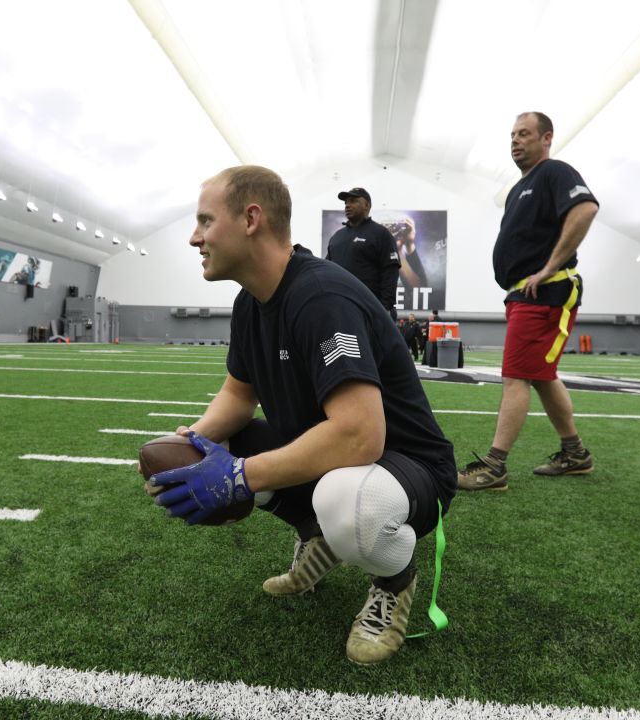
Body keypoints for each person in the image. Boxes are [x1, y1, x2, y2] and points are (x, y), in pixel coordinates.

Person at [150, 166, 456, 665]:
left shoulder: (321, 297)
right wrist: (191, 444)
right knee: (227, 445)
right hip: (342, 455)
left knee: (348, 499)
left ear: (251, 218)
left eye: (205, 221)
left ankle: (394, 583)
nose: (194, 237)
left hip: (408, 468)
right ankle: (319, 538)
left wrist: (239, 477)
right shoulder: (250, 302)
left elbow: (361, 437)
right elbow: (238, 394)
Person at [459, 111, 600, 491]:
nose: (515, 141)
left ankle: (495, 466)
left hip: (547, 290)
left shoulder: (555, 172)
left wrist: (548, 267)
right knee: (540, 376)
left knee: (516, 377)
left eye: (524, 134)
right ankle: (575, 455)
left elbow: (585, 209)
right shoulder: (522, 187)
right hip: (524, 294)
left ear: (546, 138)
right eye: (512, 135)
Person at [324, 187, 401, 319]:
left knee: (368, 341)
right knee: (337, 341)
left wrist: (384, 308)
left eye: (353, 201)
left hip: (369, 312)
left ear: (367, 205)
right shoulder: (337, 237)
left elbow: (390, 270)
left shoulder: (381, 234)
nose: (348, 205)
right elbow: (327, 271)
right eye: (346, 202)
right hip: (339, 310)